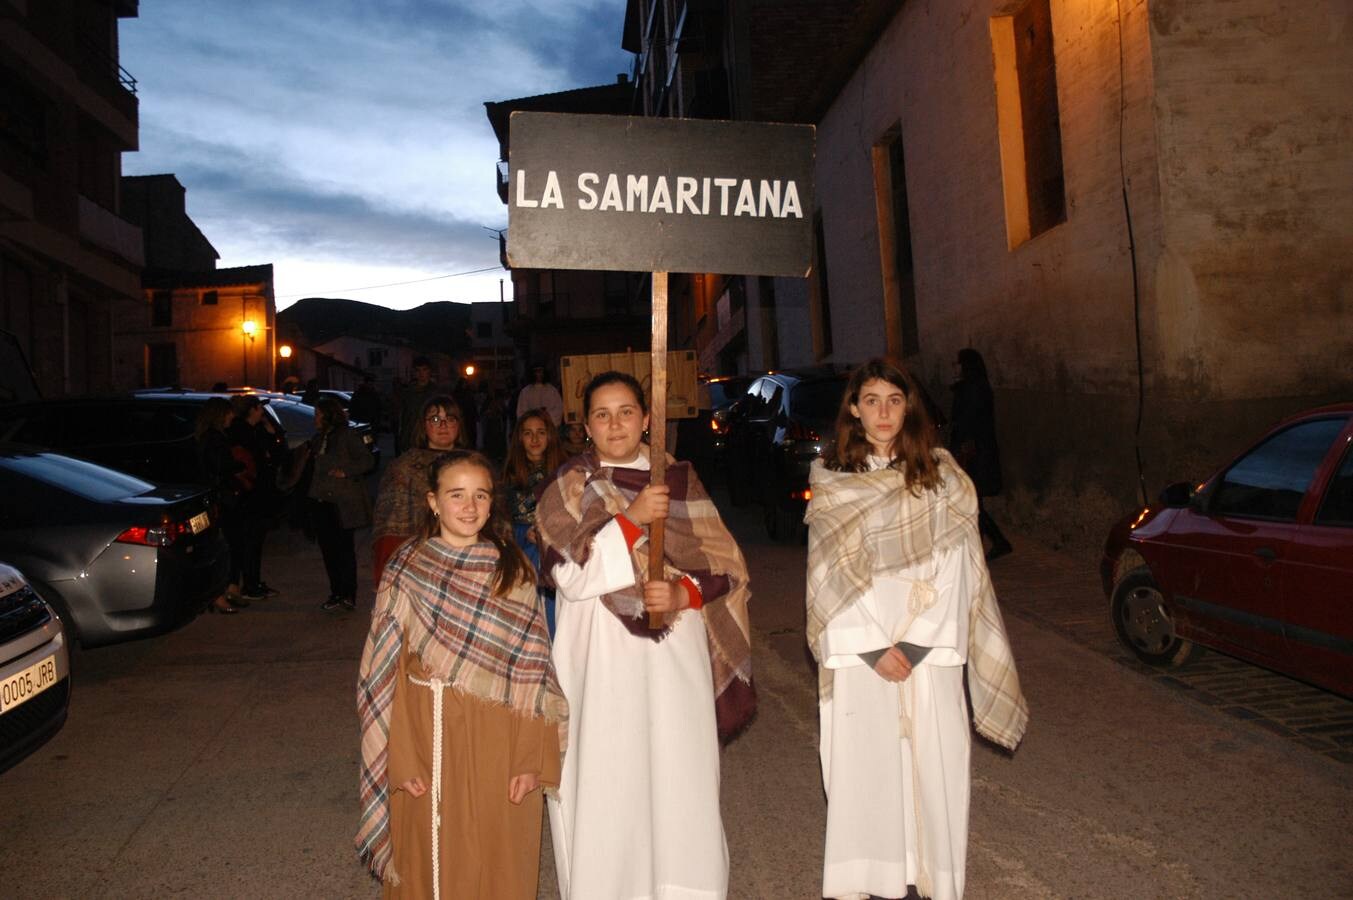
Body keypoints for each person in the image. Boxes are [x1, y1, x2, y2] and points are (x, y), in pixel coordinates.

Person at [804, 358, 1029, 900]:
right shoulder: (833, 483)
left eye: (895, 400)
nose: (883, 412)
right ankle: (869, 882)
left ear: (910, 408)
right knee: (865, 773)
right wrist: (872, 647)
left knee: (936, 768)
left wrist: (917, 640)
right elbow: (824, 578)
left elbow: (961, 568)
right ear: (854, 410)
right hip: (864, 657)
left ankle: (935, 879)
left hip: (930, 651)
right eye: (872, 400)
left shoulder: (945, 478)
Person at [534, 370, 755, 900]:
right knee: (608, 775)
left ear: (647, 418)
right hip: (601, 657)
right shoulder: (569, 486)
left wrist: (686, 596)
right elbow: (569, 575)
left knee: (680, 772)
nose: (616, 424)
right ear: (585, 425)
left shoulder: (679, 481)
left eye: (626, 411)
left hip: (675, 654)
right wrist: (631, 519)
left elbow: (728, 566)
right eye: (603, 414)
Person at [356, 450, 566, 899]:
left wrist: (530, 758)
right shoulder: (407, 567)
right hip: (425, 730)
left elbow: (535, 675)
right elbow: (381, 673)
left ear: (492, 503)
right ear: (433, 501)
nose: (470, 507)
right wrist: (401, 754)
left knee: (496, 852)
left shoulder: (512, 569)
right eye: (457, 495)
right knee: (425, 857)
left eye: (481, 496)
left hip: (500, 735)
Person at [371, 395, 465, 584]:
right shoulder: (404, 467)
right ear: (423, 425)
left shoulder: (474, 466)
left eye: (450, 419)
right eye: (435, 419)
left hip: (464, 561)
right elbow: (390, 523)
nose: (443, 425)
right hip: (417, 565)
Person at [306, 396, 376, 611]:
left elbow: (367, 460)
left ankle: (348, 593)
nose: (315, 418)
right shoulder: (319, 438)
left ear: (329, 415)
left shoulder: (347, 436)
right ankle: (336, 592)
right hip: (321, 500)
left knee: (344, 549)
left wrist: (345, 471)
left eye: (318, 414)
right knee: (328, 550)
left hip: (342, 503)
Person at [502, 409, 563, 637]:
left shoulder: (565, 471)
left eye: (541, 432)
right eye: (528, 433)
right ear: (520, 438)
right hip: (520, 545)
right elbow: (501, 519)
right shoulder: (509, 474)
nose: (535, 439)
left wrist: (547, 532)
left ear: (550, 436)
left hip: (556, 543)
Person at [949, 348, 1013, 560]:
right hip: (974, 451)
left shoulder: (974, 388)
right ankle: (994, 541)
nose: (956, 367)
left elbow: (969, 421)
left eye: (958, 363)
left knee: (973, 502)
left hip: (975, 453)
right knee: (973, 502)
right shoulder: (972, 387)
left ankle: (992, 542)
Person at [226, 395, 285, 600]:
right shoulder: (240, 433)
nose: (263, 412)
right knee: (250, 539)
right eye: (260, 408)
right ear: (252, 409)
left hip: (259, 492)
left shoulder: (257, 430)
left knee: (255, 539)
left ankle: (252, 581)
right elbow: (256, 460)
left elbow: (277, 453)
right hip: (248, 494)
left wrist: (272, 432)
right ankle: (249, 584)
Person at [194, 397, 245, 614]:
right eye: (228, 413)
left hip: (220, 497)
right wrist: (238, 465)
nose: (232, 417)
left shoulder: (212, 437)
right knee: (226, 546)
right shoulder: (214, 439)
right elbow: (220, 467)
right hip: (221, 499)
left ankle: (228, 589)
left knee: (228, 545)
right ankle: (219, 594)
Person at [396, 357, 443, 455]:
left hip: (430, 437)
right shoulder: (408, 393)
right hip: (411, 438)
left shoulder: (437, 392)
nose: (421, 374)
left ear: (429, 371)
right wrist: (402, 439)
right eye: (418, 370)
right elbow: (404, 417)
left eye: (424, 370)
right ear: (414, 372)